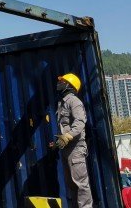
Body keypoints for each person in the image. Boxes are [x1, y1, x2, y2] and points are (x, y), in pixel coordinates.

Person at [52, 73, 93, 208]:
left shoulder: (74, 101)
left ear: (69, 85)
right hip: (67, 149)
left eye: (62, 81)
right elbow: (65, 127)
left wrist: (68, 136)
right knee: (71, 185)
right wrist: (58, 142)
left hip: (76, 148)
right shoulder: (62, 102)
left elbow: (80, 123)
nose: (59, 83)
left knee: (81, 184)